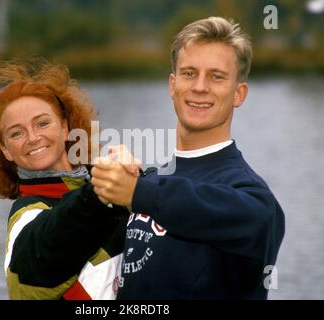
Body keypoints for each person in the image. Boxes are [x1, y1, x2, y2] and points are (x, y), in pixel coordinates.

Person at [91, 17, 285, 299]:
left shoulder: (250, 195)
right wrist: (105, 176)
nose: (200, 87)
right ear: (173, 85)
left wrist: (136, 190)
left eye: (217, 76)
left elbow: (254, 216)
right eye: (189, 73)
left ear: (239, 94)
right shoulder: (151, 181)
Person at [0, 60, 130, 300]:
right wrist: (103, 186)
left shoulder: (111, 193)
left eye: (43, 123)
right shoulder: (25, 219)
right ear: (6, 151)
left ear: (65, 128)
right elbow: (56, 241)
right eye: (17, 132)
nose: (33, 137)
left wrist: (138, 182)